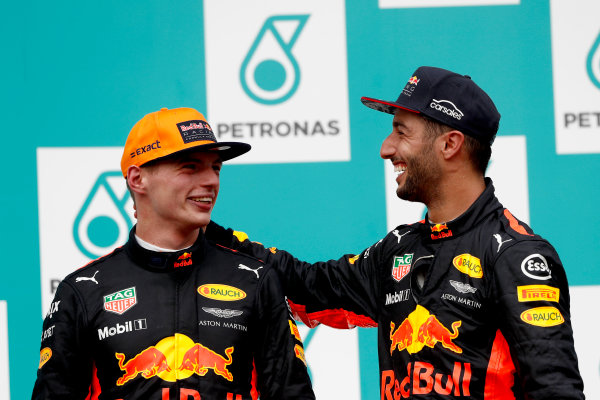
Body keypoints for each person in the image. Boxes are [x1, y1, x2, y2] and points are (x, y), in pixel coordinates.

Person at [206, 67, 585, 399]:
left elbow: (555, 388)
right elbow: (307, 285)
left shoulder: (516, 255)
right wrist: (207, 234)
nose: (387, 149)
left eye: (401, 132)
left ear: (450, 144)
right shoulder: (398, 250)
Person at [32, 107, 315, 400]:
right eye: (190, 167)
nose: (211, 181)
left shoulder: (256, 280)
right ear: (137, 179)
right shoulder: (83, 290)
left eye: (215, 168)